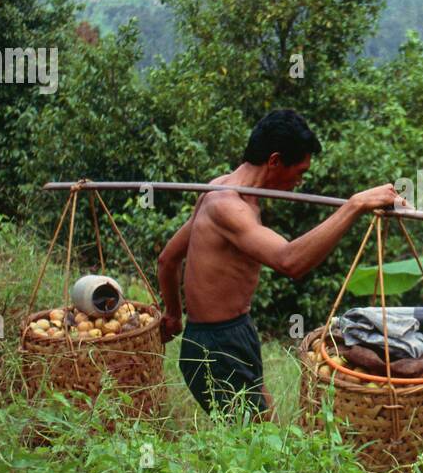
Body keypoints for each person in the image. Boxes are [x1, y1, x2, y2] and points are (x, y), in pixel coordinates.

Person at [156, 109, 407, 421]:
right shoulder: (225, 205)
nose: (299, 181)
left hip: (238, 331)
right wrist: (354, 206)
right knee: (257, 443)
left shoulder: (219, 187)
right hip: (214, 345)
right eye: (299, 171)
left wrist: (173, 313)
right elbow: (290, 262)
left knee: (265, 428)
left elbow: (168, 259)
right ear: (274, 161)